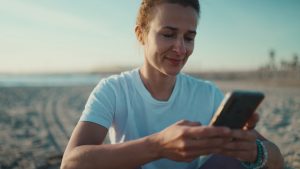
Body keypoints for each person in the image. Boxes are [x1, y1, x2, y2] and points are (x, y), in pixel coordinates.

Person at [61, 0, 284, 169]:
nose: (180, 48)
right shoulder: (114, 90)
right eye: (168, 34)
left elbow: (277, 158)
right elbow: (71, 162)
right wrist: (158, 146)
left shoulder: (207, 93)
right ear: (141, 34)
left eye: (189, 38)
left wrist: (253, 152)